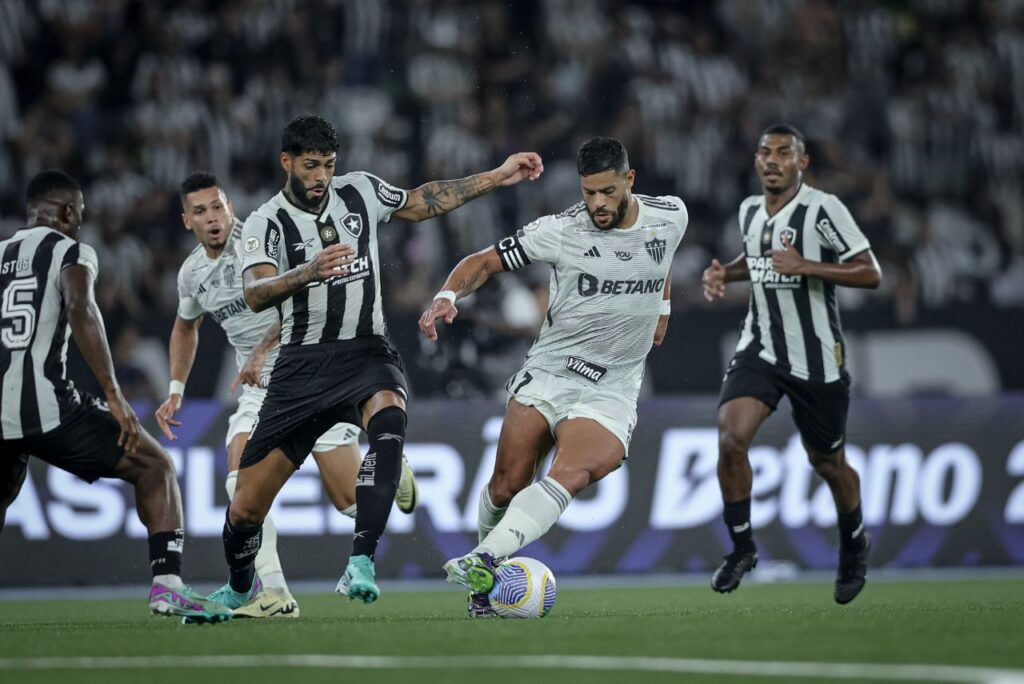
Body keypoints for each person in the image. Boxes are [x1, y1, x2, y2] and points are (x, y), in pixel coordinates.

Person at [220, 114, 543, 606]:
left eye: (328, 164)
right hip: (302, 367)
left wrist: (497, 176)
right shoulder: (267, 222)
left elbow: (423, 201)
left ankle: (361, 562)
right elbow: (256, 292)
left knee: (390, 418)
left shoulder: (361, 192)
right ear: (286, 162)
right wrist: (307, 271)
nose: (321, 176)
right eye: (310, 166)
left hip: (365, 350)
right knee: (245, 508)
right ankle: (241, 587)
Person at [419, 137, 686, 617]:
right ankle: (483, 589)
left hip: (613, 386)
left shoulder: (672, 216)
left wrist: (662, 307)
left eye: (607, 192)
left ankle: (482, 559)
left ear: (629, 180)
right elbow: (483, 262)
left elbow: (662, 256)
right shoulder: (559, 231)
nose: (597, 204)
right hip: (550, 371)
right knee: (506, 485)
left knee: (576, 470)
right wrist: (447, 296)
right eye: (589, 193)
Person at [155, 172, 420, 618]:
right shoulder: (193, 274)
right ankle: (274, 593)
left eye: (218, 206)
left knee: (348, 501)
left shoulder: (265, 237)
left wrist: (260, 350)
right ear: (187, 221)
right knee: (239, 478)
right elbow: (186, 326)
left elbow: (314, 297)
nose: (213, 218)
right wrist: (175, 389)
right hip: (263, 391)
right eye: (200, 211)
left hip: (314, 372)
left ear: (231, 207)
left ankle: (387, 463)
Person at [0, 170, 231, 623]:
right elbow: (81, 307)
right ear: (67, 211)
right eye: (80, 214)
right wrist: (115, 395)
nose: (81, 222)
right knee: (156, 466)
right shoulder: (71, 250)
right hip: (46, 406)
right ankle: (168, 588)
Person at [701, 124, 881, 604]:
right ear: (756, 161)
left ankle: (853, 543)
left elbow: (870, 271)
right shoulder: (749, 210)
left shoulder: (824, 210)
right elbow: (758, 259)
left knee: (827, 462)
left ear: (803, 163)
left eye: (785, 152)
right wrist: (726, 273)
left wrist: (809, 266)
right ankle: (742, 548)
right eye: (765, 151)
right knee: (730, 437)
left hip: (816, 358)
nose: (773, 159)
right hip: (760, 347)